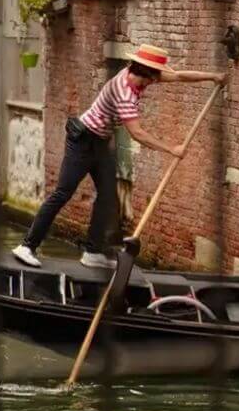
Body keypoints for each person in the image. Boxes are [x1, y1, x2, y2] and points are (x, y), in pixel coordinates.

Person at [12, 44, 226, 268]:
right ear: (146, 73)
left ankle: (92, 252)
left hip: (101, 142)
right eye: (153, 77)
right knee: (62, 193)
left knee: (108, 195)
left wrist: (213, 77)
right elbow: (137, 133)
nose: (155, 82)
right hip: (82, 141)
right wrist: (171, 149)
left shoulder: (138, 75)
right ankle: (27, 246)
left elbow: (180, 76)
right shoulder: (123, 93)